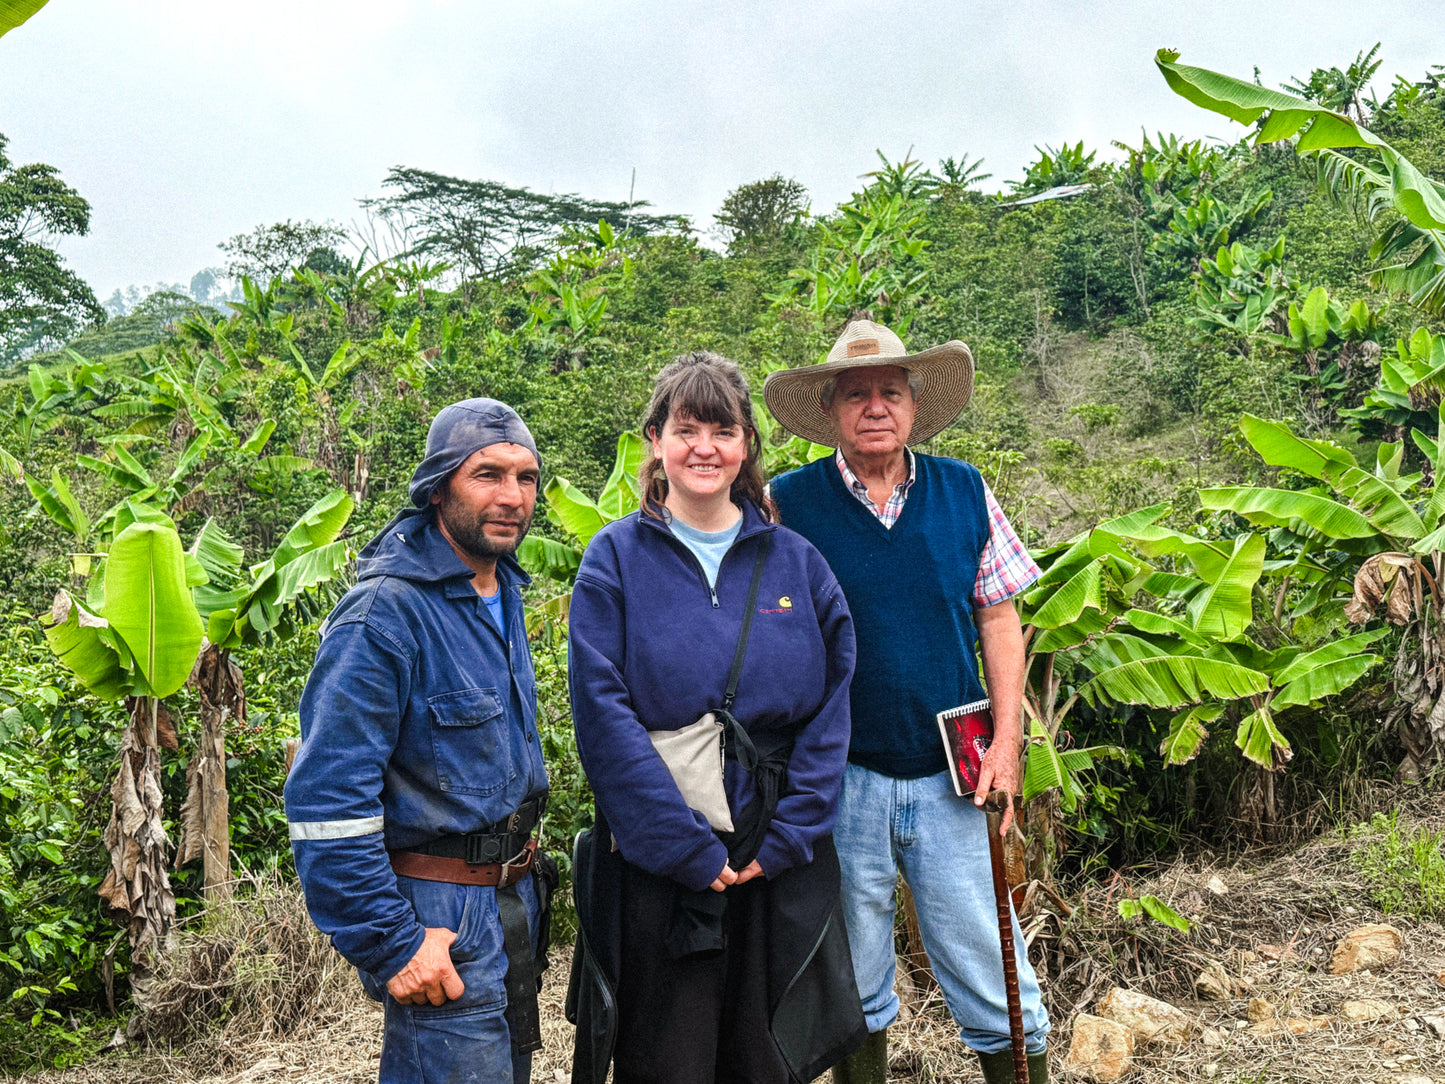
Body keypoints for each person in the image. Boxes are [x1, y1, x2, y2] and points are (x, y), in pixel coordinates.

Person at [565, 352, 867, 1084]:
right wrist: (681, 849)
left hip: (772, 849)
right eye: (686, 428)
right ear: (655, 441)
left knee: (763, 1052)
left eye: (723, 430)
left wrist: (792, 835)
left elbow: (832, 705)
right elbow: (600, 714)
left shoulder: (795, 562)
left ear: (746, 447)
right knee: (665, 1053)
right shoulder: (614, 558)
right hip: (657, 850)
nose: (705, 447)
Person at [763, 319, 1052, 1084]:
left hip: (954, 773)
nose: (874, 407)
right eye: (854, 394)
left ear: (914, 406)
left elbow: (998, 616)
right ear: (829, 411)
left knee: (994, 971)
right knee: (852, 980)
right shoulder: (786, 503)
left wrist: (1007, 744)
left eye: (889, 391)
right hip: (838, 776)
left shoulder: (963, 490)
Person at [285, 398, 553, 1084]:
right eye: (487, 475)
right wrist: (393, 943)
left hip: (508, 902)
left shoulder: (499, 588)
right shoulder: (385, 615)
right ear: (437, 489)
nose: (511, 497)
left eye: (525, 478)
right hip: (438, 917)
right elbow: (326, 802)